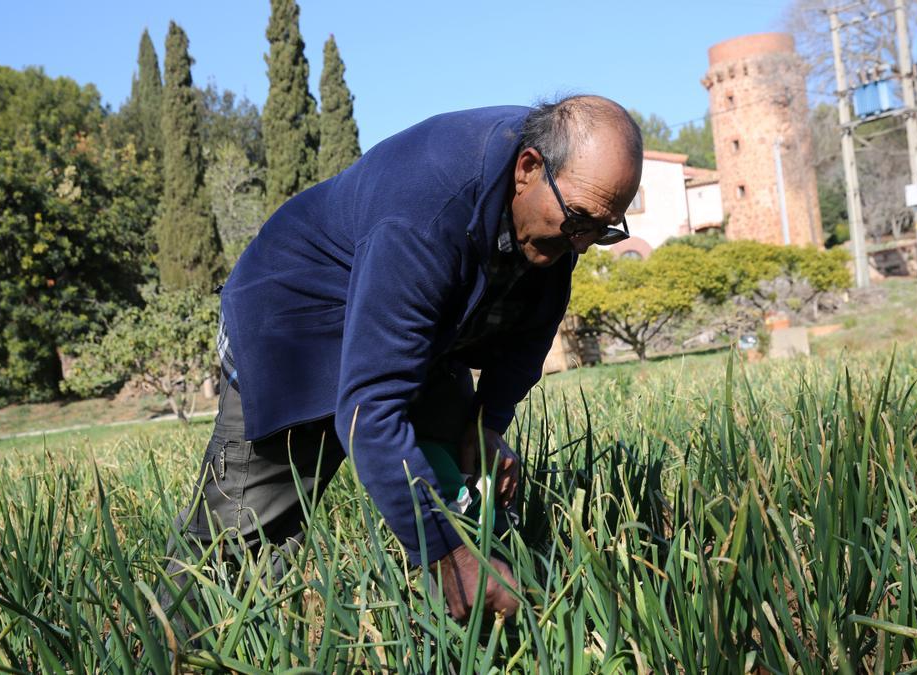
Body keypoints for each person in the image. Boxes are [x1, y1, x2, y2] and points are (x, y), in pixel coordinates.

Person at [166, 94, 643, 620]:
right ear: (528, 168)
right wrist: (444, 557)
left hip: (407, 319)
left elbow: (530, 329)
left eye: (604, 231)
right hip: (291, 328)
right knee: (234, 552)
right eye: (579, 222)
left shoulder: (562, 209)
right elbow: (369, 411)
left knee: (464, 495)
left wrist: (486, 424)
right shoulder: (427, 209)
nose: (581, 245)